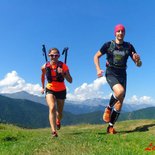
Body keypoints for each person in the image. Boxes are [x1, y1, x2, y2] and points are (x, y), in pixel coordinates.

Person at [94, 24, 142, 134]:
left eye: (122, 31)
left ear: (124, 33)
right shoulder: (108, 45)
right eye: (118, 31)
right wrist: (98, 69)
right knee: (120, 91)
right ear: (115, 33)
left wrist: (138, 60)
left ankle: (110, 127)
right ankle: (108, 108)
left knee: (120, 101)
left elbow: (138, 64)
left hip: (122, 74)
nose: (120, 33)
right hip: (111, 72)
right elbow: (96, 56)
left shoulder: (129, 46)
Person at [41, 48, 72, 138]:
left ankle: (58, 120)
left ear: (59, 56)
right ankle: (54, 131)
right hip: (50, 88)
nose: (54, 57)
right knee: (52, 107)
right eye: (51, 55)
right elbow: (42, 76)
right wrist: (43, 87)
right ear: (48, 55)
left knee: (60, 112)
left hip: (61, 90)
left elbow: (70, 80)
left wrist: (64, 73)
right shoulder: (44, 66)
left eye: (56, 55)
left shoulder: (64, 66)